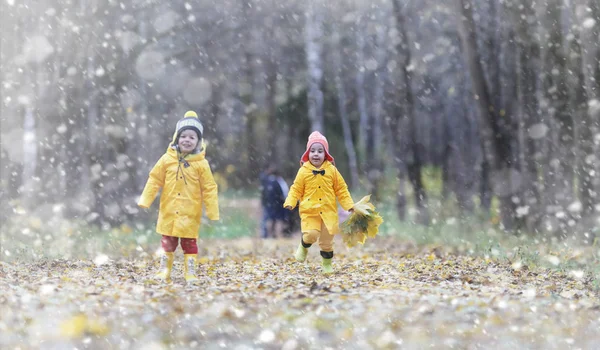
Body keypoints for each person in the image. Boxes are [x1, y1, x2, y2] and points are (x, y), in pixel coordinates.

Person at [138, 110, 219, 284]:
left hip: (190, 212)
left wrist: (212, 211)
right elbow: (154, 179)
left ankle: (190, 272)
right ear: (176, 138)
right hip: (169, 210)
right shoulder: (167, 159)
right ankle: (164, 270)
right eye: (183, 136)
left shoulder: (201, 164)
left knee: (189, 243)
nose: (187, 140)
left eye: (192, 137)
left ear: (198, 141)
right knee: (168, 242)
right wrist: (146, 199)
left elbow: (209, 188)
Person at [284, 131, 354, 274]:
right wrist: (291, 201)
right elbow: (296, 188)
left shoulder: (332, 171)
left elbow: (341, 189)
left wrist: (349, 205)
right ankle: (304, 246)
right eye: (313, 151)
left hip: (328, 212)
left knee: (327, 242)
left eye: (320, 151)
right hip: (310, 211)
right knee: (311, 234)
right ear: (308, 153)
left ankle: (327, 264)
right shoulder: (303, 171)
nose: (316, 154)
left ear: (326, 154)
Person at [259, 167, 289, 238]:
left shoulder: (270, 182)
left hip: (272, 204)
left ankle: (269, 234)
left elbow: (265, 193)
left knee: (270, 219)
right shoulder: (276, 182)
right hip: (275, 204)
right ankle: (270, 234)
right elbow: (280, 193)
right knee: (272, 219)